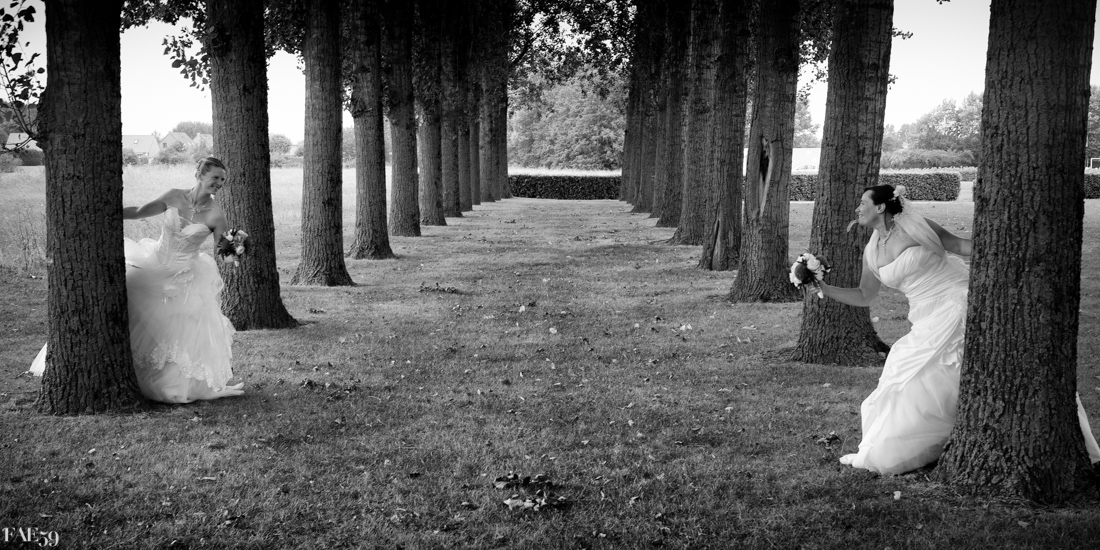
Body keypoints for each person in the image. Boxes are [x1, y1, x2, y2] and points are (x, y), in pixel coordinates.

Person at [815, 184, 1099, 474]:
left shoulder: (916, 227)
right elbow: (865, 295)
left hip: (955, 299)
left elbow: (961, 247)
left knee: (936, 369)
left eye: (863, 202)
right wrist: (824, 287)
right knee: (907, 371)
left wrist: (1014, 244)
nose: (857, 208)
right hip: (924, 314)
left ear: (880, 207)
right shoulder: (872, 249)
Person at [30, 157, 243, 403]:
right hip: (154, 265)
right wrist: (107, 213)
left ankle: (170, 382)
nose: (219, 183)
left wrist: (237, 251)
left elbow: (223, 253)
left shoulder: (216, 215)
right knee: (128, 305)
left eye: (223, 180)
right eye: (215, 177)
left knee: (176, 327)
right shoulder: (174, 196)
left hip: (184, 276)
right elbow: (141, 212)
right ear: (200, 174)